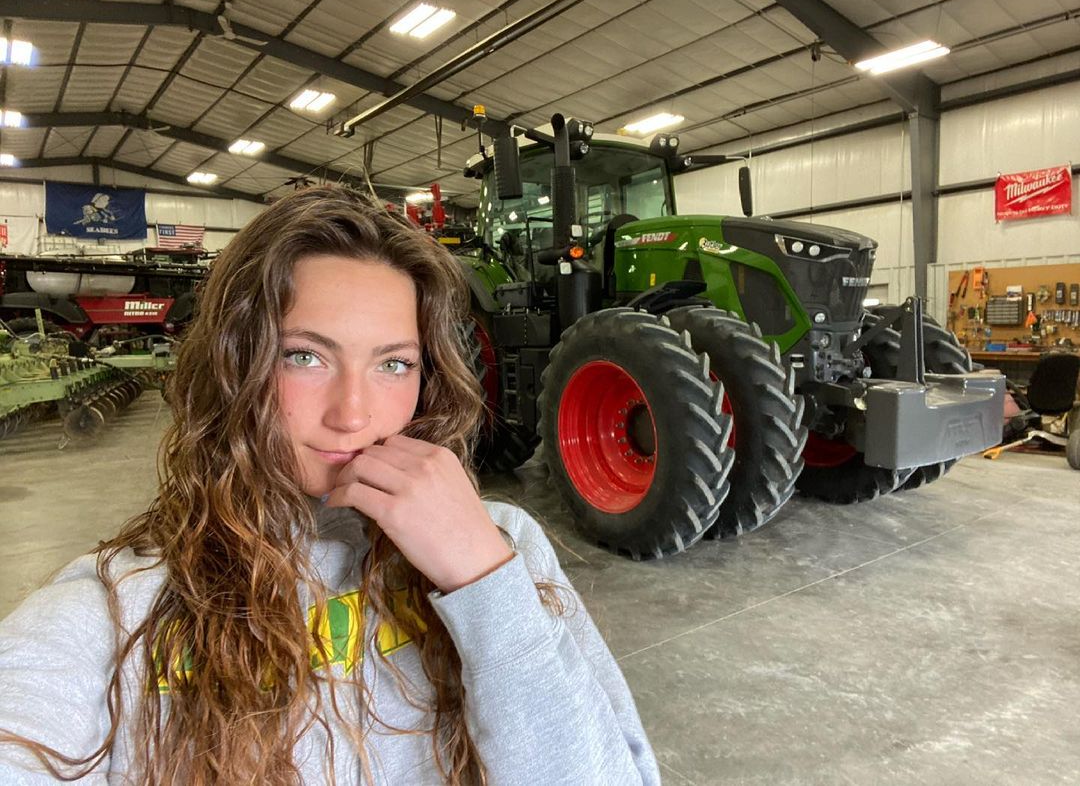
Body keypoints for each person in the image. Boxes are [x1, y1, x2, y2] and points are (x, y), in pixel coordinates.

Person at [0, 185, 660, 785]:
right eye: (305, 356)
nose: (353, 414)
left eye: (394, 364)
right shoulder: (123, 607)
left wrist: (485, 584)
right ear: (236, 362)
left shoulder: (503, 546)